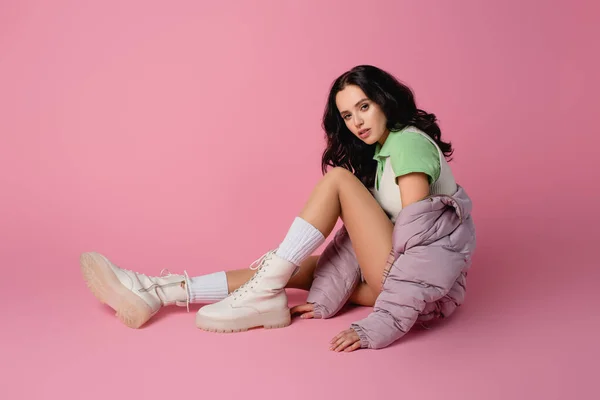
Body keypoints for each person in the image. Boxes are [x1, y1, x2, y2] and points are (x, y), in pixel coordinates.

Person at [80, 65, 476, 352]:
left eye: (364, 106)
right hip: (396, 279)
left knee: (337, 181)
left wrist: (384, 324)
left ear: (385, 100)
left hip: (416, 287)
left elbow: (419, 245)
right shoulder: (383, 154)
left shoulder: (408, 144)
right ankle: (162, 292)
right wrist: (327, 291)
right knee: (286, 267)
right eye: (347, 114)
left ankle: (259, 294)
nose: (356, 121)